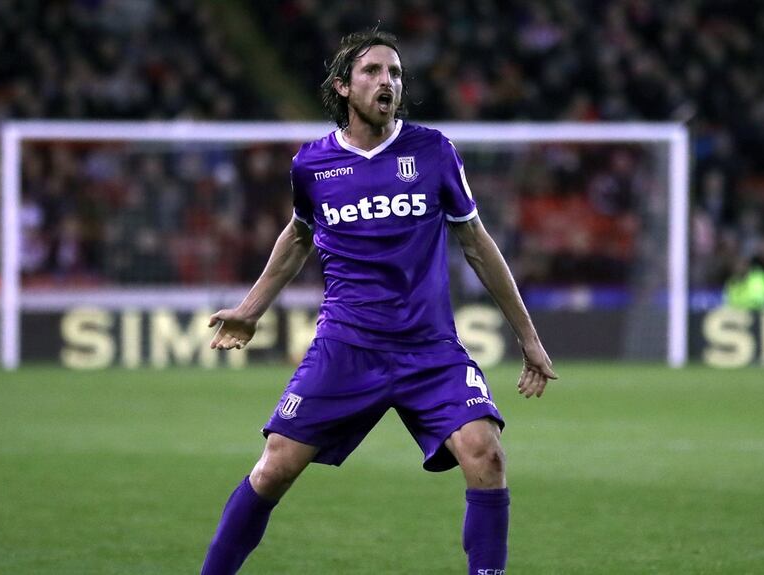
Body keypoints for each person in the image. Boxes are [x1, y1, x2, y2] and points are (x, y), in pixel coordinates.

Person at [200, 30, 557, 575]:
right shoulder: (312, 166)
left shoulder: (433, 151)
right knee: (273, 469)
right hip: (347, 345)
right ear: (343, 86)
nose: (387, 81)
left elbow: (478, 245)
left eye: (394, 73)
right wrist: (250, 309)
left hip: (428, 348)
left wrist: (529, 339)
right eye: (372, 71)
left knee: (486, 455)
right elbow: (298, 237)